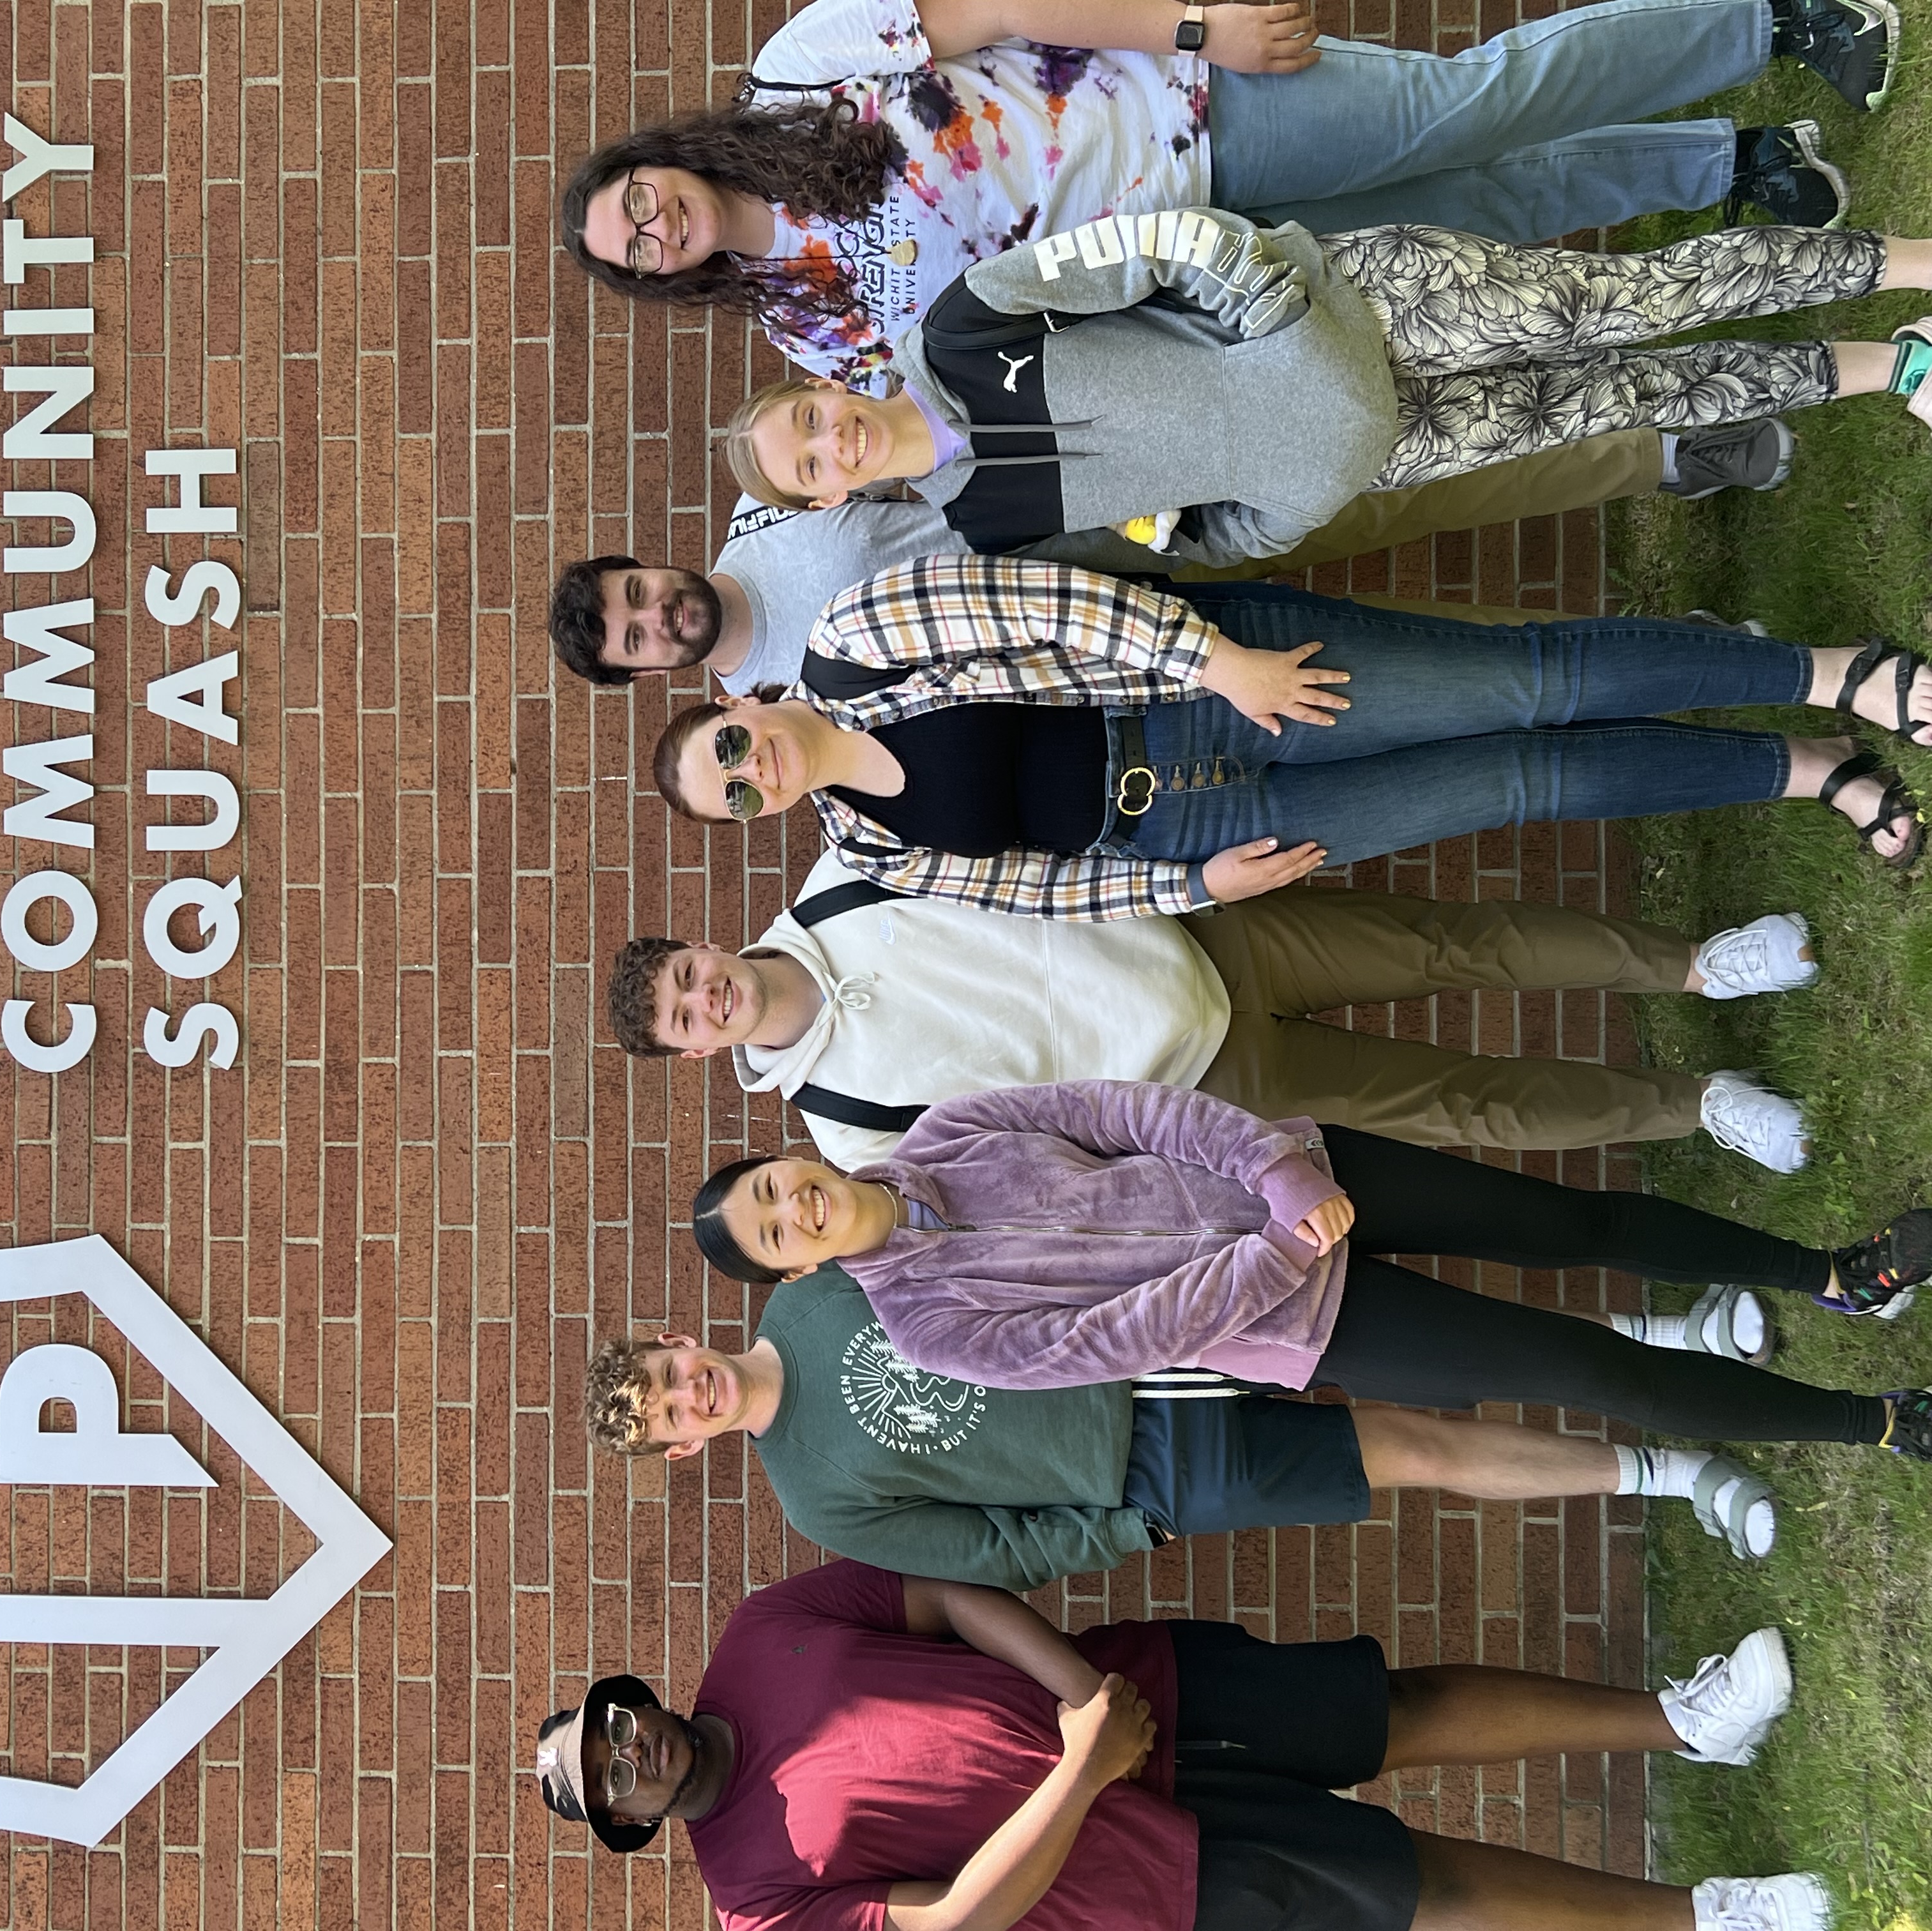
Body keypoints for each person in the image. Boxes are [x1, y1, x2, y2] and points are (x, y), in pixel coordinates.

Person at [683, 1079, 1932, 1558]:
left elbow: (1132, 1112)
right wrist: (1277, 1255)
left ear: (787, 1160)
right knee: (1592, 1370)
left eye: (772, 1187)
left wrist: (1278, 1177)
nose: (795, 1207)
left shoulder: (945, 1132)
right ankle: (1874, 1422)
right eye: (778, 1232)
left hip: (1305, 1174)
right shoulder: (931, 1333)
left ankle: (1838, 1274)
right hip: (1307, 1319)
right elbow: (1129, 1338)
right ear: (797, 1275)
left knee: (1582, 1226)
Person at [559, 0, 1890, 388]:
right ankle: (1737, 168)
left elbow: (999, 7)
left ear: (655, 157)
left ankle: (1775, 23)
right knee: (1477, 217)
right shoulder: (812, 333)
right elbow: (998, 366)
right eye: (636, 249)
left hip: (1196, 108)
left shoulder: (795, 76)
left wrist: (1194, 29)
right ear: (654, 279)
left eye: (636, 199)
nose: (655, 225)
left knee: (1472, 101)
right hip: (1200, 256)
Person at [532, 1559, 1828, 1931]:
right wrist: (1081, 1775)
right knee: (1410, 1885)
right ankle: (1713, 1916)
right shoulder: (754, 1900)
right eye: (608, 1786)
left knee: (1394, 1704)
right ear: (630, 1825)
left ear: (625, 1701)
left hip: (1143, 1692)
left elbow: (944, 1596)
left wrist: (1083, 1697)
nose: (625, 1753)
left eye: (608, 1728)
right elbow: (954, 1922)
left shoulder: (761, 1632)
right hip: (1141, 1872)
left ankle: (1683, 1721)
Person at [647, 556, 1932, 931]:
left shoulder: (858, 641)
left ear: (738, 704)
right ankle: (1811, 770)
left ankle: (1841, 677)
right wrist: (1193, 888)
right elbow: (1047, 892)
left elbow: (1047, 606)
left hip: (1203, 689)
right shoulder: (878, 852)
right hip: (1195, 826)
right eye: (740, 802)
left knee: (1523, 683)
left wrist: (1223, 662)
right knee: (1525, 781)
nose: (757, 777)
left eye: (731, 754)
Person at [718, 216, 1932, 563]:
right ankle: (1892, 366)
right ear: (830, 501)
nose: (833, 443)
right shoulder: (990, 522)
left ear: (828, 386)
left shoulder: (966, 323)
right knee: (1624, 401)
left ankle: (1904, 264)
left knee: (1619, 304)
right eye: (813, 465)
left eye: (810, 419)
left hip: (1358, 307)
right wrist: (1286, 511)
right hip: (1384, 444)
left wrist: (1279, 318)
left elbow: (1152, 246)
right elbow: (1171, 530)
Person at [580, 1249, 1816, 1578]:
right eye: (668, 1416)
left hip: (1149, 1334)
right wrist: (1125, 1528)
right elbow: (985, 1553)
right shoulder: (816, 1500)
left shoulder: (811, 1294)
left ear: (681, 1338)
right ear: (684, 1449)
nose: (686, 1392)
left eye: (667, 1369)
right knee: (1411, 1447)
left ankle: (1660, 1340)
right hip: (1153, 1472)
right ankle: (1664, 1474)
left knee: (1414, 1345)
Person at [607, 851, 1827, 1170]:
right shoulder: (841, 1124)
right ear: (699, 1051)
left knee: (1461, 944)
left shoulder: (842, 882)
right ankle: (1697, 1106)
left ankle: (1702, 967)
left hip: (1197, 931)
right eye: (686, 1022)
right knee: (1461, 1108)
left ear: (702, 945)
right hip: (1201, 1095)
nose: (704, 999)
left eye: (685, 976)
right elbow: (1014, 1161)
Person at [550, 422, 1795, 693]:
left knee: (1384, 498)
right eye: (636, 636)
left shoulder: (763, 512)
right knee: (1405, 641)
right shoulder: (763, 716)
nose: (656, 615)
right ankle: (1693, 654)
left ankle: (1670, 455)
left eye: (636, 593)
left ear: (649, 567)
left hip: (1118, 510)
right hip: (1132, 658)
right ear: (649, 669)